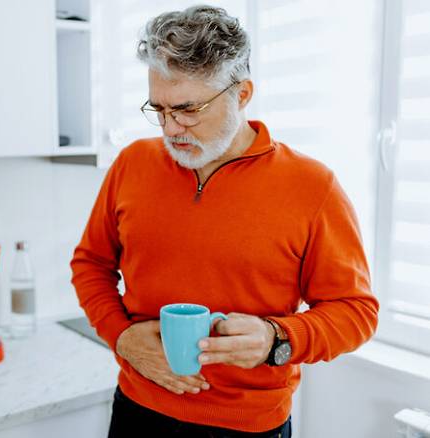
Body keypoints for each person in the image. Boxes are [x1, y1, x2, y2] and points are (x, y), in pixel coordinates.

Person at [70, 5, 379, 437]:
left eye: (188, 109)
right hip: (137, 410)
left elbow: (356, 312)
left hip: (248, 427)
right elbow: (89, 265)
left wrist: (277, 338)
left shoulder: (312, 186)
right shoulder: (132, 163)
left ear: (243, 93)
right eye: (157, 109)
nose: (171, 127)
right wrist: (121, 337)